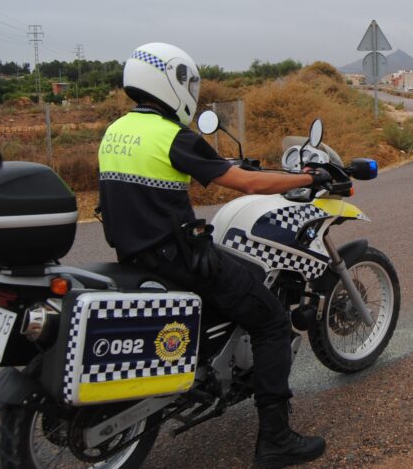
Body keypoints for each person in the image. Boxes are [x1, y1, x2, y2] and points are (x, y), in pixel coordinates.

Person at [97, 42, 328, 467]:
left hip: (135, 256)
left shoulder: (117, 130)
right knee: (274, 320)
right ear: (169, 81)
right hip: (178, 258)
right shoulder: (173, 135)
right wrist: (304, 177)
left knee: (247, 276)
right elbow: (246, 185)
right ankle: (276, 439)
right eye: (187, 81)